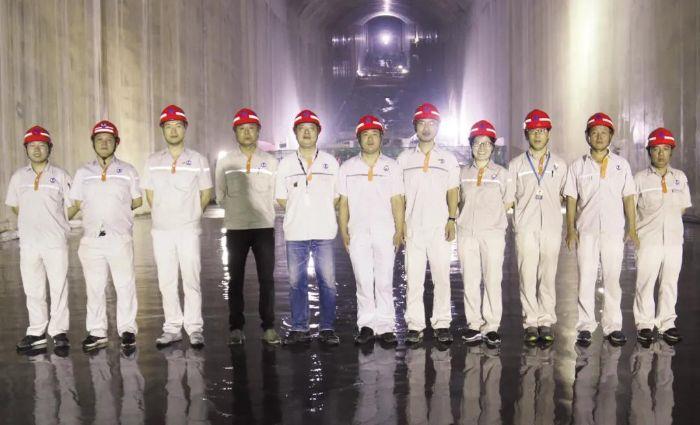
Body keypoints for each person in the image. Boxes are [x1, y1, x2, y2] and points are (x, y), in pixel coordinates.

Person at [141, 105, 213, 348]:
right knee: (166, 281)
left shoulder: (198, 160)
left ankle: (194, 328)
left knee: (191, 279)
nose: (173, 131)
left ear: (185, 129)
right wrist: (163, 215)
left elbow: (206, 192)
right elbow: (150, 194)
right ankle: (172, 328)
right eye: (168, 126)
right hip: (161, 231)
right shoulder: (152, 161)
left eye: (178, 126)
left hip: (188, 230)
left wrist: (192, 216)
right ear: (162, 130)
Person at [564, 112, 638, 346]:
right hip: (586, 232)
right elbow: (571, 199)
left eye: (603, 133)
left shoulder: (621, 165)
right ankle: (585, 326)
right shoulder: (578, 166)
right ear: (587, 136)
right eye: (594, 132)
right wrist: (570, 230)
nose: (599, 137)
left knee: (612, 279)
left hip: (613, 232)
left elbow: (628, 197)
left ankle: (613, 326)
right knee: (586, 279)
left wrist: (632, 228)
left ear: (611, 136)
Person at [69, 120, 142, 351]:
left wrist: (115, 214)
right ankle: (97, 332)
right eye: (99, 139)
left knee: (125, 285)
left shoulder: (128, 171)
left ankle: (127, 330)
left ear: (116, 143)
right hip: (91, 240)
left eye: (109, 140)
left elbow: (137, 201)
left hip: (119, 239)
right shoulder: (83, 173)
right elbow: (76, 202)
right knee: (94, 288)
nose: (104, 143)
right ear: (93, 143)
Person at [6, 126, 78, 352]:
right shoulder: (18, 177)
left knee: (59, 287)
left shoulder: (61, 176)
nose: (37, 150)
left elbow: (74, 204)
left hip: (54, 242)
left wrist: (57, 222)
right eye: (32, 145)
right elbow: (16, 206)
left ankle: (59, 332)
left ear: (50, 148)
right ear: (26, 149)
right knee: (33, 288)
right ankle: (36, 331)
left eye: (42, 145)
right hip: (29, 243)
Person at [215, 108, 280, 345]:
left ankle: (269, 327)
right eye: (241, 129)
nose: (247, 133)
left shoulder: (271, 161)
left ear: (258, 131)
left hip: (263, 227)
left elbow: (275, 193)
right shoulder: (225, 162)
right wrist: (238, 210)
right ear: (235, 133)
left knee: (267, 280)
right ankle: (236, 328)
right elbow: (220, 195)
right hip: (236, 228)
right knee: (235, 279)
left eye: (251, 128)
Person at [338, 115, 404, 346]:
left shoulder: (392, 166)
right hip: (357, 232)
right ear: (358, 139)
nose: (370, 139)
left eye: (374, 134)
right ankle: (366, 324)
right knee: (363, 279)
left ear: (381, 138)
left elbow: (397, 200)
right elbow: (343, 203)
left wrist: (399, 229)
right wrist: (344, 231)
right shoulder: (347, 168)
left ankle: (385, 326)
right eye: (365, 135)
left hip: (385, 231)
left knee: (384, 280)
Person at [275, 109, 340, 346]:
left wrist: (318, 211)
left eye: (311, 129)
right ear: (295, 133)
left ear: (318, 132)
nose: (306, 133)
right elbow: (281, 198)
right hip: (296, 233)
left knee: (328, 283)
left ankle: (327, 328)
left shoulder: (330, 162)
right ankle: (299, 328)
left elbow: (337, 196)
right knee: (296, 283)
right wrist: (300, 211)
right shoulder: (285, 164)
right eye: (301, 129)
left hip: (324, 232)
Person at [397, 102, 460, 345]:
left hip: (439, 228)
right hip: (413, 228)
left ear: (438, 127)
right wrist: (401, 224)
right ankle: (415, 325)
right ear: (415, 126)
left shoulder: (448, 159)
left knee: (442, 278)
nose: (426, 128)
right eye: (422, 123)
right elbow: (399, 196)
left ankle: (442, 323)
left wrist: (452, 219)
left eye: (431, 123)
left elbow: (453, 191)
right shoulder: (404, 159)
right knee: (413, 280)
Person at [507, 109, 567, 344]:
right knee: (527, 275)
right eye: (533, 131)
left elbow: (566, 196)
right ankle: (531, 322)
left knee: (548, 275)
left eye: (542, 130)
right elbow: (509, 198)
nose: (538, 135)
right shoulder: (516, 165)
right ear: (526, 134)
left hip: (551, 226)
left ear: (548, 134)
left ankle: (546, 320)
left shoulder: (560, 165)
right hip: (526, 227)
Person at [457, 120, 513, 347]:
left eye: (487, 143)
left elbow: (508, 201)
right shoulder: (462, 173)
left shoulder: (502, 174)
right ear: (471, 145)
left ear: (493, 147)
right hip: (466, 233)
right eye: (477, 143)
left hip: (492, 234)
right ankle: (473, 323)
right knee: (470, 279)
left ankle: (491, 327)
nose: (482, 148)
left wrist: (493, 221)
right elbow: (456, 200)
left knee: (492, 279)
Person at [633, 128, 691, 344]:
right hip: (648, 240)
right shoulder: (639, 179)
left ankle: (667, 323)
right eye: (656, 149)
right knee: (645, 283)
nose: (660, 154)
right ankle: (645, 324)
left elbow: (683, 207)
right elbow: (631, 208)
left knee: (669, 282)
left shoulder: (680, 178)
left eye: (665, 149)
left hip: (674, 241)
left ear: (671, 151)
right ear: (649, 151)